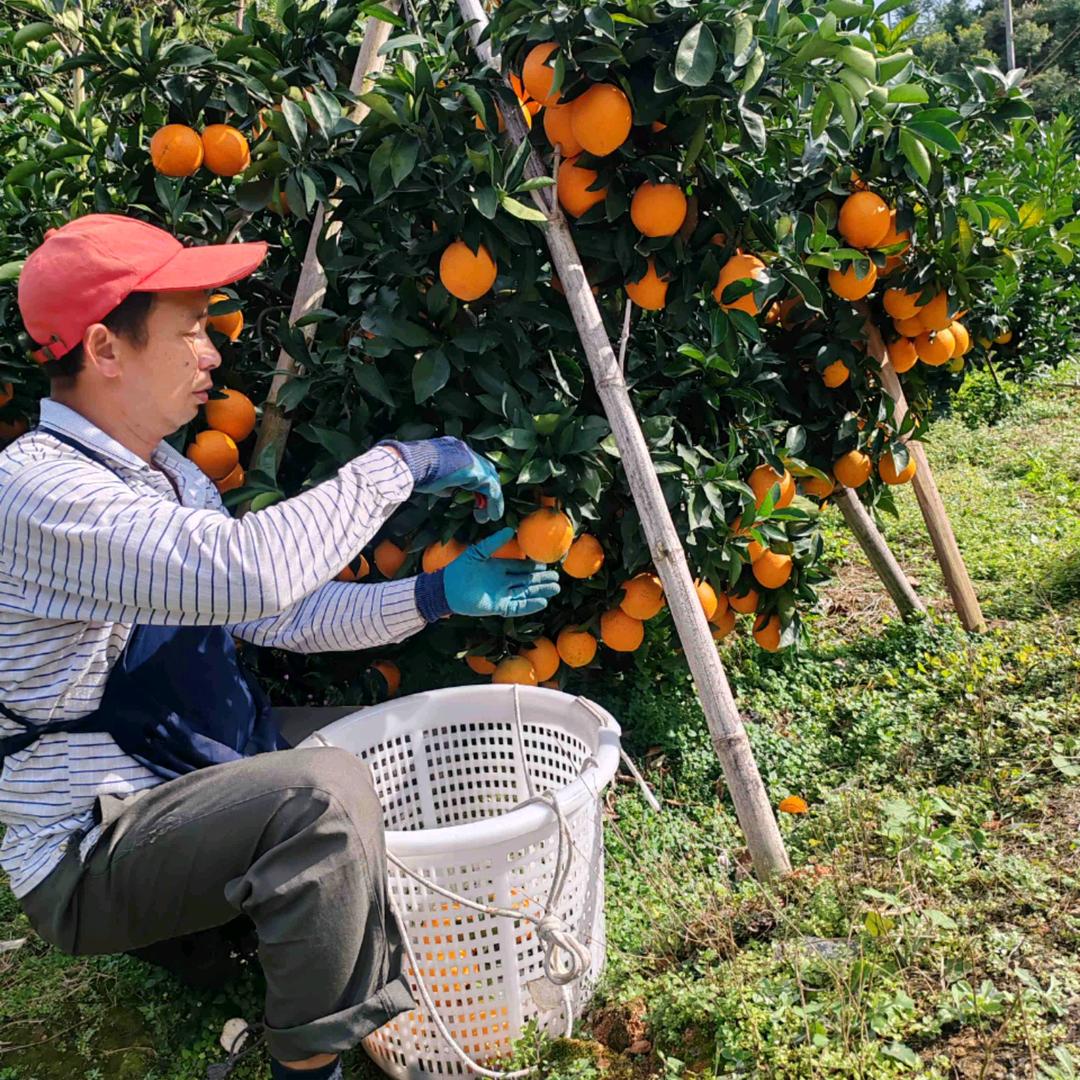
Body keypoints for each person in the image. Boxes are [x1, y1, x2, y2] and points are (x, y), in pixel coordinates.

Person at [0, 213, 560, 1079]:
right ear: (106, 349)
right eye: (190, 332)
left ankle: (324, 951)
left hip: (191, 779)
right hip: (92, 856)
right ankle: (313, 1067)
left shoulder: (167, 473)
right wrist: (397, 465)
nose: (212, 354)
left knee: (395, 751)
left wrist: (433, 594)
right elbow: (254, 573)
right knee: (326, 795)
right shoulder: (39, 492)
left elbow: (276, 617)